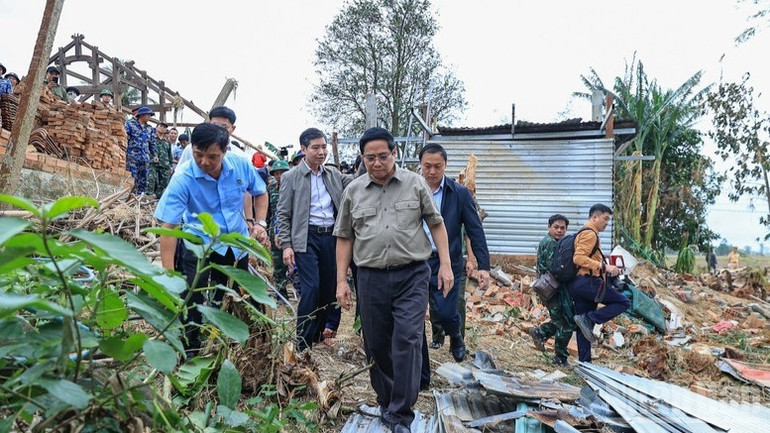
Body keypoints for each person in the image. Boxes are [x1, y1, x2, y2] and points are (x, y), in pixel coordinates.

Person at [335, 127, 453, 433]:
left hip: (411, 275)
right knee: (376, 344)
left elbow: (436, 225)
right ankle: (387, 402)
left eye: (383, 156)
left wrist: (446, 265)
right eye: (370, 158)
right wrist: (341, 281)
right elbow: (345, 237)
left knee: (408, 339)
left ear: (395, 153)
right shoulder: (353, 191)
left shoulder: (415, 185)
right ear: (362, 157)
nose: (377, 163)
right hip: (370, 277)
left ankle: (401, 413)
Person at [154, 122, 269, 353]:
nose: (204, 162)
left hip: (235, 245)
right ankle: (191, 350)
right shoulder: (183, 178)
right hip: (198, 242)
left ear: (225, 151)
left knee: (232, 297)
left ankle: (229, 347)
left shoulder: (240, 166)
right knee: (191, 300)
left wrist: (260, 223)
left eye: (212, 156)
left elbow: (261, 192)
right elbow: (169, 227)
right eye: (198, 155)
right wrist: (168, 273)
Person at [276, 127, 353, 352]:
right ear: (303, 149)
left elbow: (355, 182)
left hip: (331, 236)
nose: (321, 152)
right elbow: (282, 213)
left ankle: (317, 336)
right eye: (315, 148)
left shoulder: (333, 174)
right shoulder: (292, 177)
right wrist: (287, 245)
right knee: (312, 287)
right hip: (306, 237)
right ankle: (301, 340)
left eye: (324, 147)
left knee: (329, 288)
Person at [418, 143, 490, 370]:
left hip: (447, 260)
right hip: (416, 260)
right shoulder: (410, 189)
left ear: (445, 165)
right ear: (420, 165)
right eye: (427, 166)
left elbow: (475, 229)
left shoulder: (458, 193)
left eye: (437, 166)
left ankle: (456, 336)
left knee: (446, 311)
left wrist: (483, 265)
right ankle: (419, 365)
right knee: (415, 313)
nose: (431, 171)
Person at [569, 203, 630, 363]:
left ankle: (584, 363)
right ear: (594, 217)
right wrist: (604, 266)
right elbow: (578, 258)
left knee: (583, 326)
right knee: (623, 302)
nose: (606, 223)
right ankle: (591, 318)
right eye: (605, 219)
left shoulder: (585, 233)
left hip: (579, 284)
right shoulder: (590, 234)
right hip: (587, 283)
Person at [528, 214, 576, 367]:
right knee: (566, 324)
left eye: (562, 228)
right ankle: (560, 358)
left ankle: (541, 332)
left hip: (550, 289)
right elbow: (556, 270)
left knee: (563, 321)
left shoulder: (550, 242)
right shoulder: (551, 244)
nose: (559, 230)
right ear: (549, 227)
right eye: (556, 227)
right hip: (554, 290)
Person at [267, 160, 290, 297]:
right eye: (277, 173)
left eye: (283, 172)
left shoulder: (296, 187)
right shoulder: (270, 189)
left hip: (293, 229)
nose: (280, 175)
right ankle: (281, 292)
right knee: (278, 262)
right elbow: (268, 212)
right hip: (274, 229)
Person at [125, 106, 155, 195]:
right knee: (132, 177)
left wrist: (155, 154)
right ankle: (130, 196)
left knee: (144, 178)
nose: (149, 117)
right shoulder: (130, 125)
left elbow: (152, 143)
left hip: (145, 157)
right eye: (148, 115)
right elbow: (126, 138)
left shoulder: (150, 128)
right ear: (141, 115)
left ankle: (140, 197)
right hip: (132, 156)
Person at [148, 122, 172, 197]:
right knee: (151, 181)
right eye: (161, 126)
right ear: (156, 127)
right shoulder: (151, 139)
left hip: (164, 165)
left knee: (164, 183)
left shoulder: (167, 142)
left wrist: (170, 166)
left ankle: (158, 199)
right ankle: (148, 196)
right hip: (153, 164)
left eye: (164, 127)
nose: (162, 128)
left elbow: (169, 155)